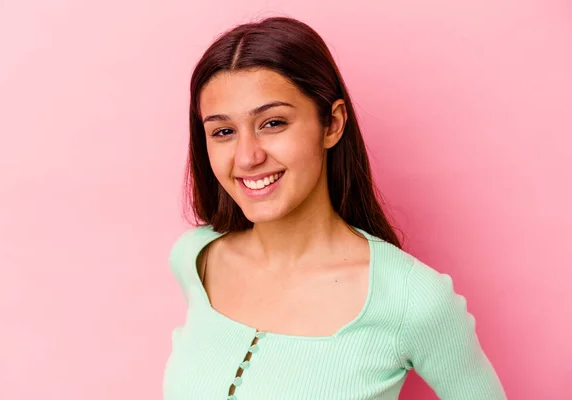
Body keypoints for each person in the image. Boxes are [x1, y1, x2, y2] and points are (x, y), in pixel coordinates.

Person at [163, 16, 506, 400]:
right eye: (223, 131)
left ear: (332, 124)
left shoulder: (413, 298)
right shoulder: (195, 258)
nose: (247, 157)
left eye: (273, 123)